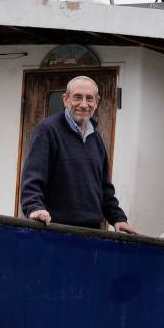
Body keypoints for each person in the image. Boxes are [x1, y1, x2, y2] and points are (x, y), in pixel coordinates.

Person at [19, 76, 136, 234]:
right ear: (65, 99)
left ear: (96, 102)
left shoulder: (96, 138)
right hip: (54, 230)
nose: (84, 104)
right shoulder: (48, 130)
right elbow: (32, 179)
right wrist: (34, 207)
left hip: (92, 233)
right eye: (77, 97)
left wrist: (118, 218)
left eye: (89, 98)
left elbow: (104, 188)